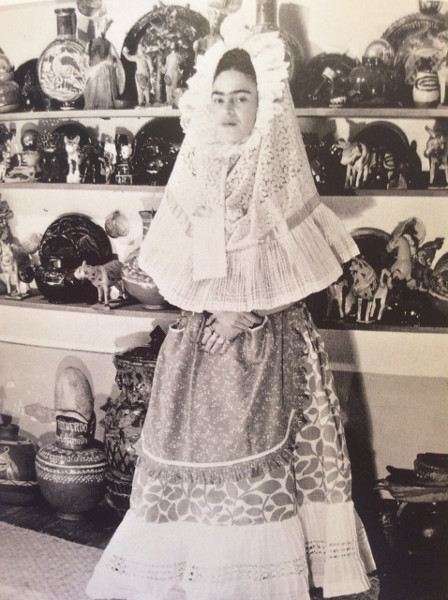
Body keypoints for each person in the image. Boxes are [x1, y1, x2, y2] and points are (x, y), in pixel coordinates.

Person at [87, 30, 375, 600]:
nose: (228, 108)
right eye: (219, 97)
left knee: (262, 470)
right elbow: (172, 258)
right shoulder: (195, 167)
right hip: (205, 339)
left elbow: (303, 263)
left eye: (241, 97)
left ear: (262, 104)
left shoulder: (278, 171)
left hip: (270, 340)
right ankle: (201, 577)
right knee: (194, 459)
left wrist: (250, 310)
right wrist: (217, 308)